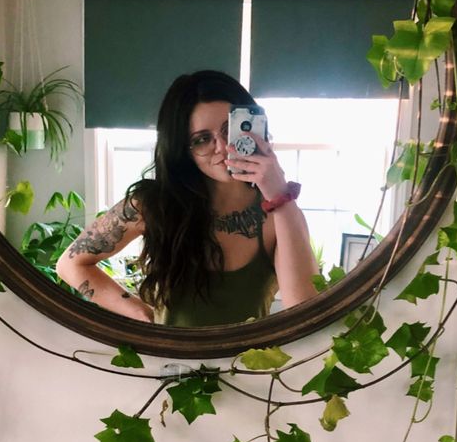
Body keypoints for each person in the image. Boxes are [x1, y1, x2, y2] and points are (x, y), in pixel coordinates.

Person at [56, 70, 319, 326]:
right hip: (168, 366)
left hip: (247, 369)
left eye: (231, 129)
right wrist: (137, 311)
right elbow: (71, 264)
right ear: (184, 150)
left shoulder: (279, 213)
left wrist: (278, 193)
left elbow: (304, 312)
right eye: (202, 139)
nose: (222, 146)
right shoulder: (153, 205)